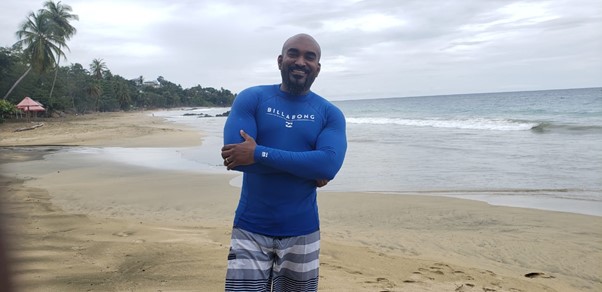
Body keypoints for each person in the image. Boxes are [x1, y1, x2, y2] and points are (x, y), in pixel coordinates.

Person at [220, 33, 347, 291]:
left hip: (303, 231)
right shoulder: (252, 98)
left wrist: (257, 152)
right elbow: (235, 158)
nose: (300, 61)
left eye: (309, 57)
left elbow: (329, 165)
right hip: (250, 229)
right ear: (280, 60)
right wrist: (307, 166)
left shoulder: (329, 113)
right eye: (293, 53)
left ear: (318, 68)